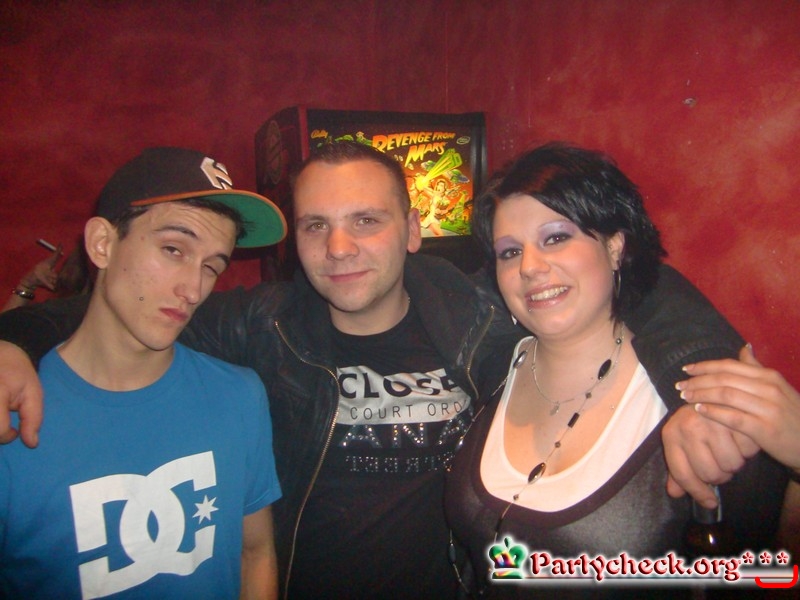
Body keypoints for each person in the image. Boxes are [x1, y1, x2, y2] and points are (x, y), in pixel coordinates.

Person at [0, 141, 770, 598]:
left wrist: (699, 385)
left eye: (366, 222)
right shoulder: (260, 325)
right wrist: (12, 338)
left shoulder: (480, 309)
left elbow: (627, 278)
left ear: (412, 230)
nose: (339, 250)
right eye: (316, 227)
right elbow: (121, 308)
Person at [444, 142, 791, 597]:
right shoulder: (487, 363)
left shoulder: (687, 401)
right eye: (509, 252)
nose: (529, 267)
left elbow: (771, 562)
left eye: (555, 238)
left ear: (614, 246)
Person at [0, 147, 287, 599]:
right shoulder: (12, 408)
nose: (193, 289)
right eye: (173, 249)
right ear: (103, 243)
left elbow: (255, 553)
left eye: (211, 266)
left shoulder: (239, 396)